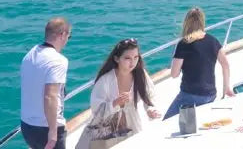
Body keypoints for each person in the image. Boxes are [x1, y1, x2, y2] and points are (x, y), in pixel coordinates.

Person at [75, 39, 160, 149]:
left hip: (131, 125)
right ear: (116, 59)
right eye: (127, 58)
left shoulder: (140, 74)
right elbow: (96, 109)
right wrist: (115, 103)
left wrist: (150, 109)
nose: (133, 62)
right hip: (106, 129)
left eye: (136, 57)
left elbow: (149, 95)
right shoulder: (105, 80)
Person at [163, 7, 234, 119]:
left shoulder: (184, 43)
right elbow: (225, 65)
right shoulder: (213, 40)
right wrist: (226, 88)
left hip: (190, 94)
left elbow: (174, 74)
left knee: (166, 122)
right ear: (202, 22)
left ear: (186, 23)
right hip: (210, 94)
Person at [20, 17, 71, 149]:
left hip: (27, 126)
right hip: (45, 128)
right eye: (68, 37)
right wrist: (53, 133)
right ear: (63, 35)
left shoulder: (30, 55)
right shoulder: (58, 60)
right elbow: (50, 96)